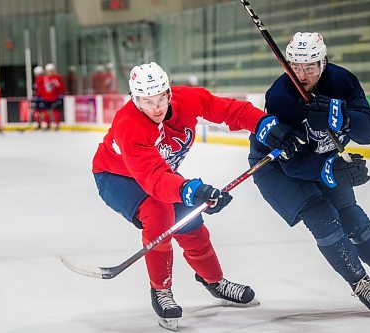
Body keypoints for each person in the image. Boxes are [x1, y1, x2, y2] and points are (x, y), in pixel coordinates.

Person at [91, 61, 302, 331]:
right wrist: (191, 190)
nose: (156, 108)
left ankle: (214, 281)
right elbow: (153, 179)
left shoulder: (187, 99)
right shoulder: (128, 125)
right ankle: (161, 290)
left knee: (191, 224)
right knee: (159, 214)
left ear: (168, 92)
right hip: (116, 176)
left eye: (161, 98)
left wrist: (263, 125)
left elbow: (229, 110)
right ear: (135, 100)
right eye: (147, 101)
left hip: (160, 175)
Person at [248, 32, 370, 315]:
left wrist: (343, 116)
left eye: (309, 67)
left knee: (352, 215)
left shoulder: (342, 81)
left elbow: (369, 132)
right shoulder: (280, 96)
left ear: (323, 61)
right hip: (277, 167)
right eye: (295, 67)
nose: (301, 74)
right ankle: (360, 281)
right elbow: (292, 163)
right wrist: (330, 168)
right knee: (322, 217)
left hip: (320, 157)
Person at [36, 63, 65, 130]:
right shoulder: (43, 78)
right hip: (45, 97)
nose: (50, 72)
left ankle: (57, 124)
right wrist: (39, 94)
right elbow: (39, 87)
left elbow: (60, 87)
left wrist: (61, 93)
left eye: (52, 70)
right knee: (46, 111)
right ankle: (47, 123)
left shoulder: (57, 78)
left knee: (56, 111)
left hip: (55, 97)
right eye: (49, 71)